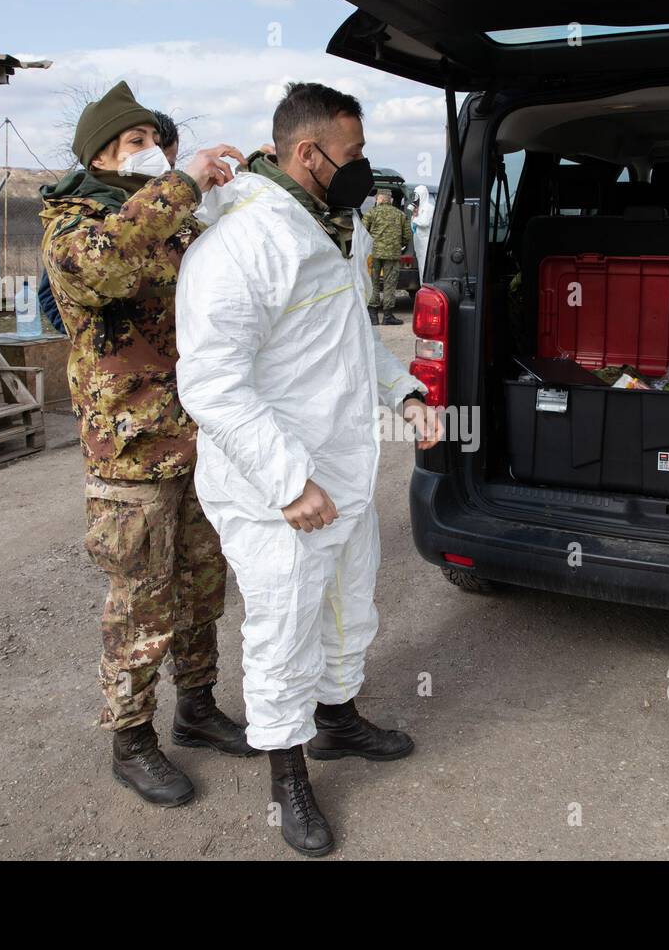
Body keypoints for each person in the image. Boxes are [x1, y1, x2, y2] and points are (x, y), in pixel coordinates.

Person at [176, 82, 444, 857]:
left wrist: (404, 391)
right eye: (353, 155)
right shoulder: (240, 243)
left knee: (346, 608)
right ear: (308, 154)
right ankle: (287, 773)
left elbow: (345, 336)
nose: (362, 169)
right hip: (280, 492)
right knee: (284, 633)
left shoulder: (318, 224)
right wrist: (289, 481)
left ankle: (337, 720)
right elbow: (213, 382)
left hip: (341, 468)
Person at [39, 81, 256, 808]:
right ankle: (131, 740)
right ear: (99, 153)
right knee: (140, 599)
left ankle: (197, 708)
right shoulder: (73, 226)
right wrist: (181, 183)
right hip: (130, 453)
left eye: (156, 144)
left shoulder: (168, 219)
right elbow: (109, 267)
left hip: (200, 438)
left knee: (201, 585)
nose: (152, 155)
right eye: (135, 144)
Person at [37, 108, 183, 336]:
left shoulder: (174, 214)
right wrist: (90, 338)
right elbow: (54, 292)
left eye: (171, 164)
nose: (162, 166)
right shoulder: (79, 223)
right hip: (124, 367)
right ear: (99, 157)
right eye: (138, 141)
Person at [361, 190, 412, 325]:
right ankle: (388, 316)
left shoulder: (371, 213)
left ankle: (373, 316)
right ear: (389, 200)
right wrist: (400, 245)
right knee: (390, 284)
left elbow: (363, 231)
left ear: (379, 199)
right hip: (392, 255)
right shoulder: (400, 214)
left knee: (373, 283)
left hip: (374, 254)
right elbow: (407, 235)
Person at [410, 183, 433, 275]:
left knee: (424, 266)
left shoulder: (429, 208)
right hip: (418, 241)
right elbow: (413, 227)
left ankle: (425, 285)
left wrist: (415, 219)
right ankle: (421, 285)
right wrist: (414, 215)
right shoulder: (418, 208)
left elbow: (424, 222)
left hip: (425, 241)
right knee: (420, 266)